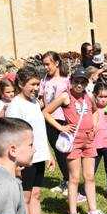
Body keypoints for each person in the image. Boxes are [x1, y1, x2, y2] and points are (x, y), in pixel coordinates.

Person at [43, 67, 107, 214]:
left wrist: (94, 126)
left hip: (88, 140)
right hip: (74, 141)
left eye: (82, 82)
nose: (79, 85)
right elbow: (46, 112)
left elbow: (95, 111)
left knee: (90, 177)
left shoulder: (88, 97)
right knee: (74, 178)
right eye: (76, 81)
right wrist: (61, 128)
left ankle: (93, 210)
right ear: (71, 82)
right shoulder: (66, 96)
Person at [5, 66, 61, 214]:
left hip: (37, 156)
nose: (36, 88)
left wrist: (48, 153)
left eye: (38, 84)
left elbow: (39, 130)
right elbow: (11, 136)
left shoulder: (35, 102)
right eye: (32, 84)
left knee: (35, 195)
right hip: (24, 159)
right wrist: (17, 163)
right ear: (21, 84)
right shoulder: (15, 106)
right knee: (24, 198)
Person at [40, 51, 72, 197]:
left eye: (48, 64)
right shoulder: (44, 80)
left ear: (57, 63)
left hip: (62, 119)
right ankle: (66, 179)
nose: (46, 67)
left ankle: (72, 181)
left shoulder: (66, 80)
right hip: (48, 119)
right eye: (44, 64)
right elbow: (42, 100)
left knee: (64, 151)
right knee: (57, 151)